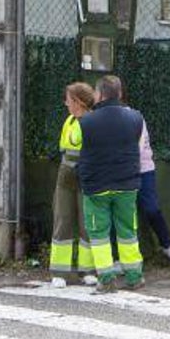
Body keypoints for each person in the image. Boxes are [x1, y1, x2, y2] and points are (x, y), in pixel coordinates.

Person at [78, 75, 146, 293]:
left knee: (99, 235)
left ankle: (106, 279)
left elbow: (82, 151)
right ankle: (134, 276)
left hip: (97, 186)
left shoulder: (87, 121)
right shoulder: (135, 118)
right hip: (127, 184)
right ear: (120, 93)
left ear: (99, 94)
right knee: (128, 232)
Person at [120, 82, 170, 264]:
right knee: (121, 214)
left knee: (152, 209)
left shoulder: (136, 117)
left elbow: (138, 148)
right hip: (122, 173)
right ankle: (122, 257)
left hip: (143, 170)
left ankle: (167, 243)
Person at [48, 81, 98, 287]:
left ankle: (87, 270)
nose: (66, 103)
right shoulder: (68, 121)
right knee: (62, 220)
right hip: (66, 177)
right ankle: (60, 272)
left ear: (78, 101)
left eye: (69, 100)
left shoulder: (95, 122)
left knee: (87, 224)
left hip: (88, 177)